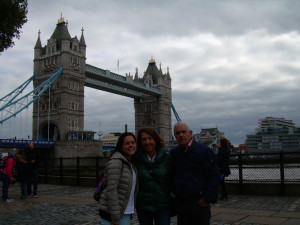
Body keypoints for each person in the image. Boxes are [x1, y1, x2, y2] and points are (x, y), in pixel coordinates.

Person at [170, 122, 219, 225]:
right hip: (181, 202)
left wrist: (206, 199)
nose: (181, 135)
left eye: (183, 132)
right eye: (178, 133)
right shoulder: (174, 153)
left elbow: (213, 176)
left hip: (198, 202)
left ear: (190, 133)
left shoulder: (204, 151)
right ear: (175, 136)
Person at [134, 127, 172, 225]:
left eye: (150, 138)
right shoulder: (135, 159)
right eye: (144, 139)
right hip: (143, 206)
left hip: (162, 205)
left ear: (155, 139)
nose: (147, 142)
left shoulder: (168, 157)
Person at [98, 132, 138, 225]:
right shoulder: (116, 162)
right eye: (127, 143)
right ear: (121, 146)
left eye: (133, 142)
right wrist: (115, 217)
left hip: (125, 210)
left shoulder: (130, 163)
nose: (131, 145)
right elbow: (111, 190)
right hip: (113, 213)